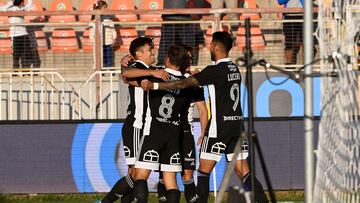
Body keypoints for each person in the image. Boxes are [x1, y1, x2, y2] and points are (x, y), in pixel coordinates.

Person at [141, 31, 268, 203]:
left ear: (216, 47)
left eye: (211, 44)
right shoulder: (234, 68)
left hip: (218, 128)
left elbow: (184, 83)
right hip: (237, 128)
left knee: (203, 172)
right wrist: (198, 75)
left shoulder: (214, 71)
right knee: (243, 172)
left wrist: (155, 85)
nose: (209, 47)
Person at [100, 37, 168, 203]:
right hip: (137, 125)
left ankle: (107, 201)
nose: (153, 51)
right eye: (149, 49)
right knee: (137, 174)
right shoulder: (138, 67)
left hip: (145, 127)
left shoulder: (149, 69)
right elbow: (126, 75)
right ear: (139, 53)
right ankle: (106, 201)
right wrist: (151, 72)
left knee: (135, 174)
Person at [127, 45, 192, 203]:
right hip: (174, 135)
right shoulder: (186, 84)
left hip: (154, 131)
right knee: (171, 183)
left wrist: (126, 65)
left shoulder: (156, 77)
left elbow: (126, 77)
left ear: (168, 59)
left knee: (140, 176)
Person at [156, 45, 209, 203]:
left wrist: (204, 132)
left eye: (190, 58)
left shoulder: (193, 83)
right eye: (186, 58)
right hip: (167, 131)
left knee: (188, 174)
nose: (189, 61)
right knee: (165, 174)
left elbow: (203, 110)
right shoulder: (165, 77)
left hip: (186, 133)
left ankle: (191, 198)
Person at [157, 0, 204, 66]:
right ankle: (161, 66)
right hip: (169, 18)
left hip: (186, 20)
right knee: (166, 46)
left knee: (187, 47)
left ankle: (190, 66)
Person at [0, 0, 37, 69]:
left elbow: (29, 6)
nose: (24, 3)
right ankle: (16, 71)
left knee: (25, 54)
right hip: (15, 35)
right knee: (16, 55)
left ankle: (25, 70)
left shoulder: (22, 9)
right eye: (23, 2)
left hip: (24, 34)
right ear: (20, 3)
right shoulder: (10, 10)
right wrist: (11, 2)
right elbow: (2, 9)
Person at [90, 0, 117, 68]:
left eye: (106, 7)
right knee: (99, 57)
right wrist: (93, 40)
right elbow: (91, 31)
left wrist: (114, 38)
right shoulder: (93, 20)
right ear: (99, 8)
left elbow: (112, 29)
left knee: (109, 57)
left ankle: (110, 70)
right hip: (98, 43)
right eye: (104, 7)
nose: (106, 9)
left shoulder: (109, 19)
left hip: (108, 42)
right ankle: (100, 72)